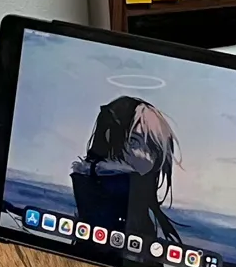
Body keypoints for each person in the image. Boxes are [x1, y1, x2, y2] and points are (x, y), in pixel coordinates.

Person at [70, 95, 183, 248]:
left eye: (152, 147)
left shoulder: (131, 196)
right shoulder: (113, 195)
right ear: (109, 138)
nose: (147, 157)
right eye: (134, 141)